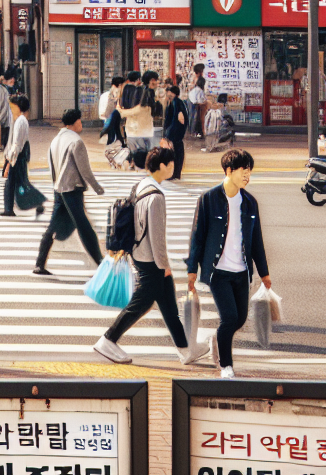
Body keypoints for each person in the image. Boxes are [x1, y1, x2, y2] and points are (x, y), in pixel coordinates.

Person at [93, 147, 210, 366]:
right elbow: (157, 236)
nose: (175, 167)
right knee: (141, 303)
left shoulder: (141, 185)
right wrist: (164, 265)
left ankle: (185, 349)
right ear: (163, 166)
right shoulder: (156, 196)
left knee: (169, 306)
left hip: (139, 253)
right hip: (150, 259)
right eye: (172, 164)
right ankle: (108, 339)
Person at [187, 148, 271, 378]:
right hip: (218, 272)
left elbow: (257, 241)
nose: (247, 175)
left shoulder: (250, 203)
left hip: (241, 272)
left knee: (240, 318)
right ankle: (226, 365)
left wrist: (264, 273)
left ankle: (219, 338)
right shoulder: (209, 199)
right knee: (230, 318)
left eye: (249, 171)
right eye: (243, 170)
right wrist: (191, 269)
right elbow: (198, 236)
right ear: (229, 171)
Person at [34, 109, 105, 276]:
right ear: (74, 123)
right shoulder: (76, 142)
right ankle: (101, 264)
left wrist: (55, 185)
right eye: (80, 121)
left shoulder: (55, 140)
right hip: (72, 189)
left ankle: (39, 263)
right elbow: (85, 170)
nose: (81, 124)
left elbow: (51, 166)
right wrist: (97, 188)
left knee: (53, 226)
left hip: (59, 188)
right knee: (84, 227)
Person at [0, 95, 44, 217]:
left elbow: (17, 143)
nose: (11, 108)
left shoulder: (20, 121)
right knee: (20, 182)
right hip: (19, 154)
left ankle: (10, 209)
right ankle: (35, 204)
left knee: (14, 182)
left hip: (18, 155)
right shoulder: (19, 120)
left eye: (13, 106)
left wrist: (10, 160)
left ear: (19, 107)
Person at [163, 85, 188, 179]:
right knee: (177, 153)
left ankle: (175, 174)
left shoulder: (176, 102)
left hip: (175, 134)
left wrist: (169, 133)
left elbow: (178, 118)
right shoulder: (177, 102)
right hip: (177, 133)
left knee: (175, 154)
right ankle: (176, 173)